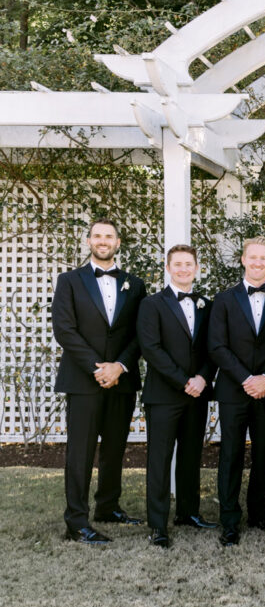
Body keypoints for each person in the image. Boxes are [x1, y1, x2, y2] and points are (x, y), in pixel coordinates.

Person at [52, 219, 146, 544]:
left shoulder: (135, 285)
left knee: (115, 448)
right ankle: (76, 522)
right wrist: (98, 367)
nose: (103, 241)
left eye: (109, 236)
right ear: (89, 241)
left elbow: (140, 333)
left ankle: (108, 506)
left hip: (122, 380)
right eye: (97, 236)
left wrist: (119, 366)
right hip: (83, 380)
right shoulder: (70, 281)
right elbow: (64, 329)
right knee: (80, 451)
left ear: (118, 242)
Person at [208, 236, 265, 547]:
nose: (258, 263)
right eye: (252, 257)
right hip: (233, 389)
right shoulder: (224, 300)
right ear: (243, 260)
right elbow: (217, 345)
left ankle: (258, 513)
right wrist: (245, 378)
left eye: (263, 258)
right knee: (231, 455)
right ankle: (229, 520)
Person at [137, 244, 218, 548]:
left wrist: (203, 378)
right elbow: (151, 349)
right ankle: (158, 524)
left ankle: (188, 512)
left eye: (189, 264)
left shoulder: (206, 305)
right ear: (168, 268)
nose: (184, 269)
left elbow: (214, 347)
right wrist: (184, 380)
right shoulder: (152, 304)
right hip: (164, 395)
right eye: (178, 264)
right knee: (159, 459)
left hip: (197, 393)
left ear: (196, 268)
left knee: (190, 456)